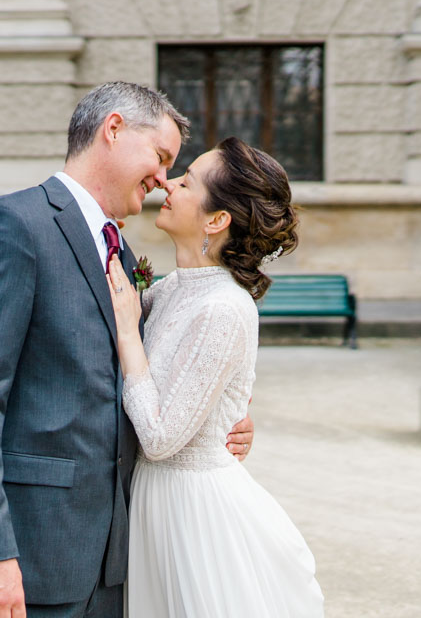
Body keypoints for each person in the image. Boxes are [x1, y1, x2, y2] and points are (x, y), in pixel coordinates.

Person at [0, 82, 255, 618]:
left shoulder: (121, 250)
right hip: (26, 560)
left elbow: (149, 375)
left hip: (114, 565)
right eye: (161, 156)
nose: (162, 178)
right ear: (115, 129)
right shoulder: (16, 226)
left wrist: (223, 417)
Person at [106, 136, 325, 617]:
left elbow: (161, 438)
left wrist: (127, 333)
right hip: (156, 504)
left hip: (194, 514)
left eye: (186, 182)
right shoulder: (170, 290)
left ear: (216, 219)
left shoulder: (225, 307)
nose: (168, 183)